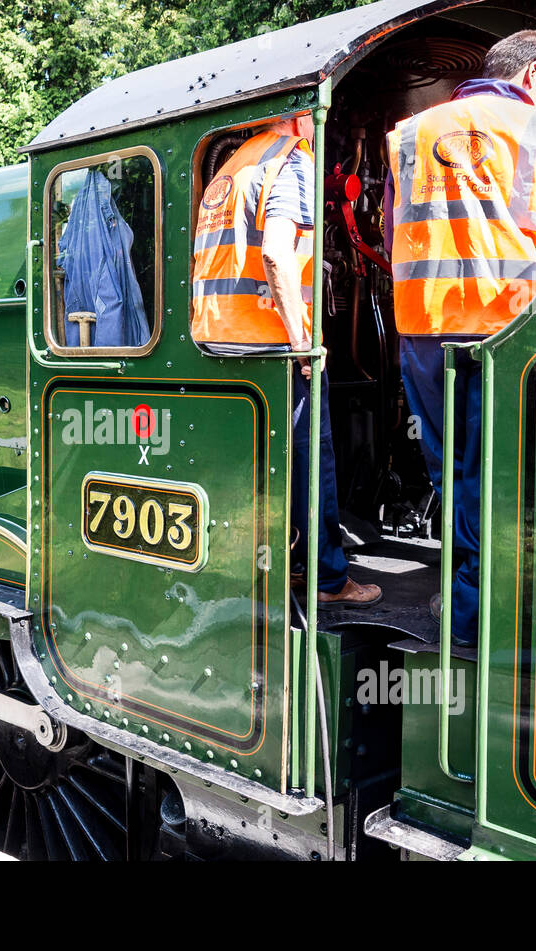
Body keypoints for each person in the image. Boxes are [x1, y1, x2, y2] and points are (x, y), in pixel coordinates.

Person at [384, 30, 536, 643]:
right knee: (493, 475)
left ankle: (462, 597)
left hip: (422, 328)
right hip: (503, 330)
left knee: (450, 473)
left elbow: (397, 228)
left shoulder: (409, 133)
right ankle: (478, 616)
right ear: (533, 73)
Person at [192, 115, 382, 606]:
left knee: (268, 469)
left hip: (221, 340)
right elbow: (276, 254)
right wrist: (302, 341)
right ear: (301, 116)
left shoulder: (233, 165)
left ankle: (289, 565)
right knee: (311, 461)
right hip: (270, 341)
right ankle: (328, 579)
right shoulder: (291, 158)